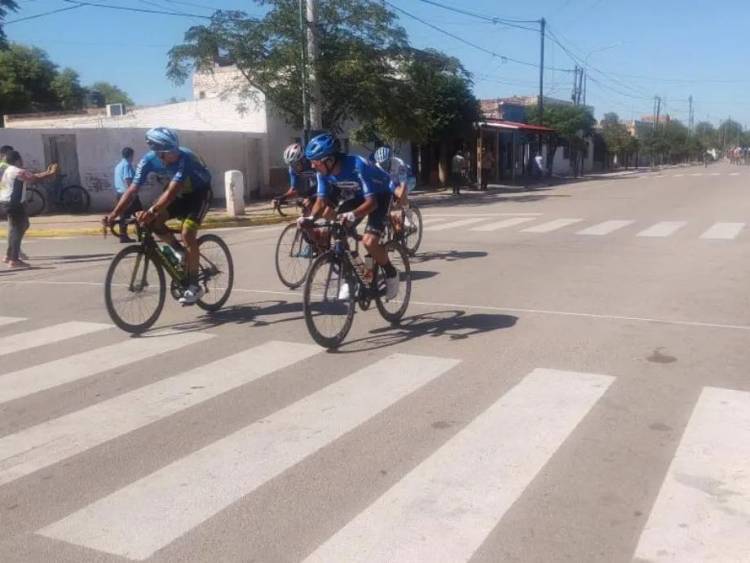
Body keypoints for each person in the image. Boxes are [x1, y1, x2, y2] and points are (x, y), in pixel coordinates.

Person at [105, 127, 212, 305]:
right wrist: (114, 213)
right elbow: (132, 190)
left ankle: (194, 286)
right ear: (158, 153)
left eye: (175, 149)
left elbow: (171, 192)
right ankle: (179, 251)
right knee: (153, 222)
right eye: (171, 152)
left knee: (187, 234)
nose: (175, 154)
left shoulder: (185, 158)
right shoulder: (148, 161)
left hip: (199, 194)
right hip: (179, 194)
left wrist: (151, 210)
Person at [300, 132, 400, 300]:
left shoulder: (357, 165)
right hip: (357, 196)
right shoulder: (322, 172)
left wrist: (352, 215)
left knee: (369, 241)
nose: (312, 165)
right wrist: (310, 219)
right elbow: (321, 202)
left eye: (315, 162)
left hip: (380, 196)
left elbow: (372, 203)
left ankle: (391, 274)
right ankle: (354, 277)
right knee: (336, 232)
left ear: (329, 160)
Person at [0, 151, 58, 268]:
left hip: (6, 202)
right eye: (20, 159)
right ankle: (14, 259)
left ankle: (9, 255)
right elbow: (33, 178)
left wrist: (47, 172)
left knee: (17, 228)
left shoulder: (7, 170)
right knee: (18, 230)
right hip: (14, 204)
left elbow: (32, 177)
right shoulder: (17, 171)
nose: (22, 161)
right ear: (17, 160)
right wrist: (50, 174)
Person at [373, 146, 411, 232]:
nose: (384, 165)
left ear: (390, 159)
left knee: (400, 194)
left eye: (386, 162)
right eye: (381, 163)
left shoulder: (399, 163)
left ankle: (408, 215)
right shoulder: (377, 166)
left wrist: (398, 202)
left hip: (406, 179)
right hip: (391, 182)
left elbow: (403, 185)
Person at [113, 147, 140, 243]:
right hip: (128, 193)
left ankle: (123, 235)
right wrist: (132, 193)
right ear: (131, 155)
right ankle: (141, 234)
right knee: (139, 213)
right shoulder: (127, 165)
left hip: (120, 193)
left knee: (124, 215)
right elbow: (128, 180)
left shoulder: (118, 165)